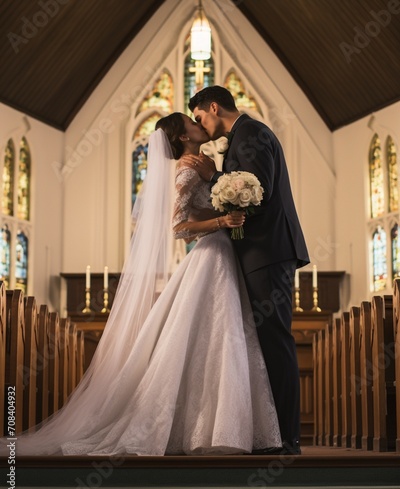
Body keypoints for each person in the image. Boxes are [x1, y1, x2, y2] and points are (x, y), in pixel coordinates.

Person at [1, 112, 281, 456]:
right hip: (212, 254)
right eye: (191, 123)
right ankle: (206, 429)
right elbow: (177, 228)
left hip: (226, 253)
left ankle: (220, 426)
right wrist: (223, 219)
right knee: (221, 335)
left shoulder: (206, 161)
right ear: (182, 137)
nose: (199, 124)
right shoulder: (187, 168)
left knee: (226, 337)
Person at [188, 86, 310, 455]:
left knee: (275, 340)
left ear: (213, 107)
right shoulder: (242, 135)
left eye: (199, 117)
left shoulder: (252, 133)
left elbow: (259, 192)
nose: (200, 125)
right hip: (260, 252)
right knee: (265, 341)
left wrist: (212, 178)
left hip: (268, 252)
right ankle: (271, 433)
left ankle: (288, 437)